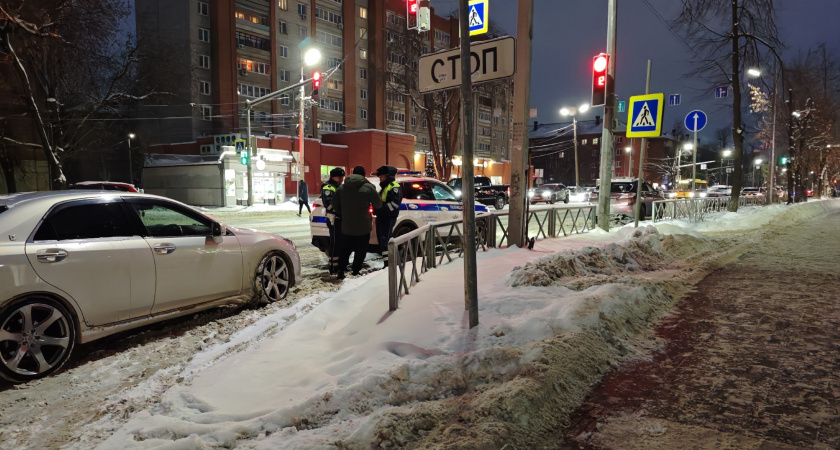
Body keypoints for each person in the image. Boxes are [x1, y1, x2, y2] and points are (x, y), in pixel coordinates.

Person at [333, 165, 382, 278]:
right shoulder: (368, 188)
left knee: (345, 248)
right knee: (361, 249)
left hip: (347, 225)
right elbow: (378, 204)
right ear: (363, 175)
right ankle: (355, 270)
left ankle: (341, 270)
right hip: (363, 225)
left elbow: (335, 205)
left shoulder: (341, 188)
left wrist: (344, 214)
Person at [321, 167, 345, 275]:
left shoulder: (338, 187)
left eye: (342, 177)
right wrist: (342, 210)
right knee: (335, 243)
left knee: (340, 242)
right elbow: (329, 204)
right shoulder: (328, 187)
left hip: (340, 218)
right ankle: (333, 267)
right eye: (339, 177)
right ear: (333, 177)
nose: (341, 179)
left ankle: (338, 265)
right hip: (334, 219)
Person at [375, 165, 402, 259]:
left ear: (388, 176)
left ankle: (388, 262)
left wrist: (381, 209)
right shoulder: (384, 187)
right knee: (381, 239)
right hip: (382, 216)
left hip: (388, 217)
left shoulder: (394, 186)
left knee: (385, 239)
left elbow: (395, 204)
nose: (380, 178)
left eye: (382, 176)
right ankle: (386, 260)